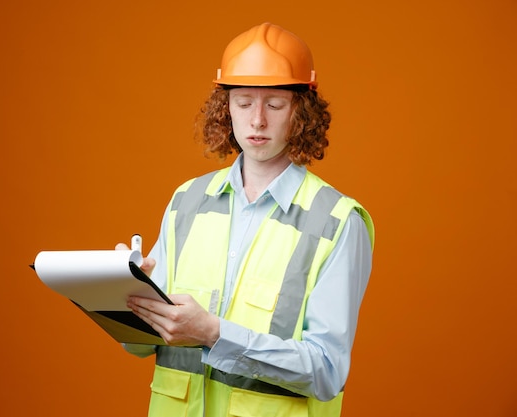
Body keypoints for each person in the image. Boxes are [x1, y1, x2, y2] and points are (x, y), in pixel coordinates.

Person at [118, 22, 375, 417]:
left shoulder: (337, 222)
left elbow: (326, 371)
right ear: (226, 109)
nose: (257, 120)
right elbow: (141, 345)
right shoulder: (187, 201)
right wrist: (126, 293)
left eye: (274, 104)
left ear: (300, 112)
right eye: (243, 102)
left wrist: (214, 334)